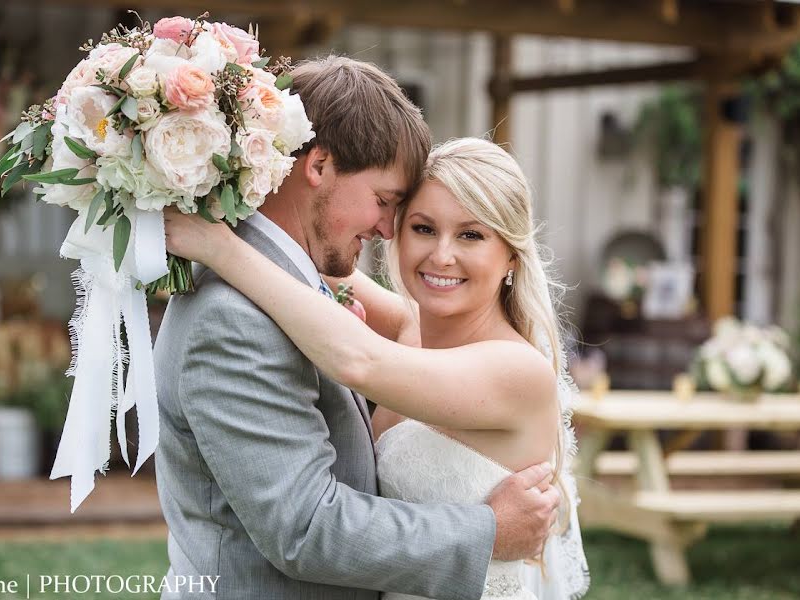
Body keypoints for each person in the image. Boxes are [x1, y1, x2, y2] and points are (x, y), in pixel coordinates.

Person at [154, 56, 561, 600]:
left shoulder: (508, 365)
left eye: (472, 235)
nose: (392, 232)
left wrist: (220, 243)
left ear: (513, 255)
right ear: (316, 165)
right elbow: (305, 528)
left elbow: (355, 353)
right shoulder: (240, 317)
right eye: (408, 217)